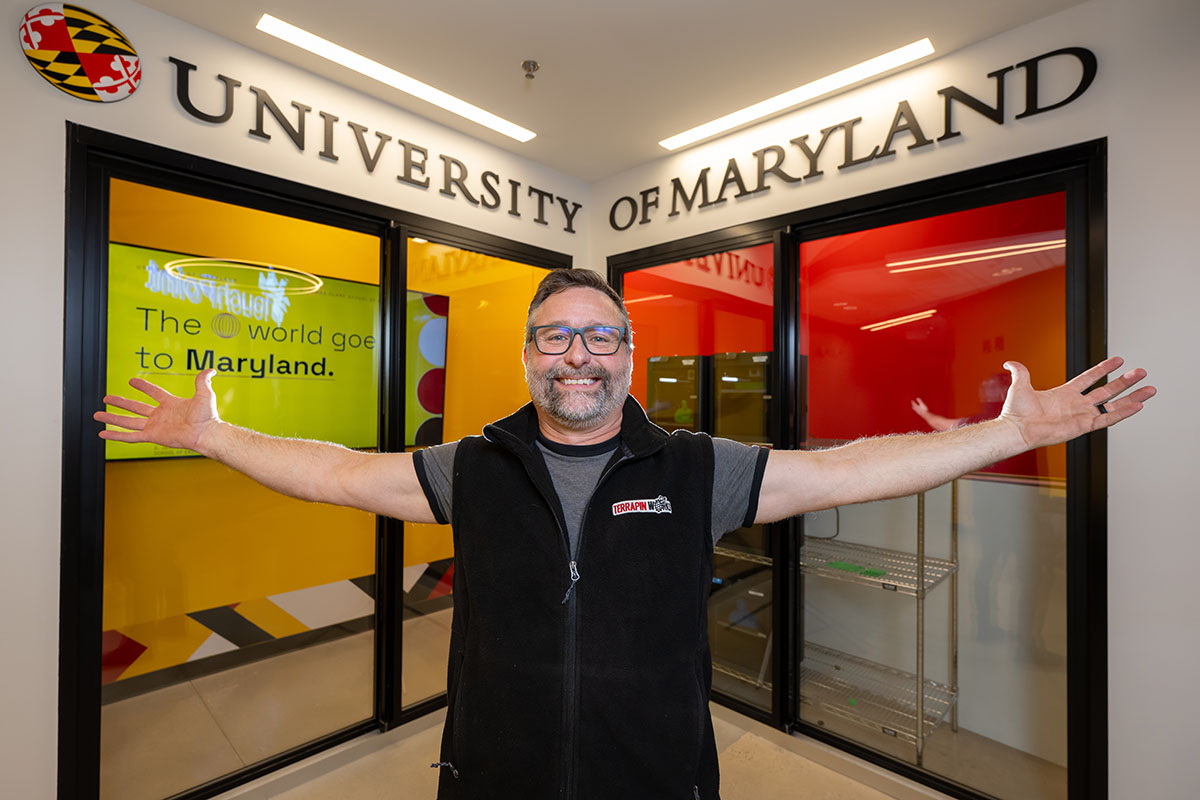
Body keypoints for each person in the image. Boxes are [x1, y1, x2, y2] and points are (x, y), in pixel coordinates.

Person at [95, 269, 1154, 800]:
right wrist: (218, 436)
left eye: (601, 336)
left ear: (629, 355)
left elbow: (843, 470)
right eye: (557, 336)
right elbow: (333, 473)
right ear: (528, 355)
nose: (579, 356)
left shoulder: (697, 468)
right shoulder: (476, 465)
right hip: (491, 772)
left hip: (657, 775)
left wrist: (1000, 434)